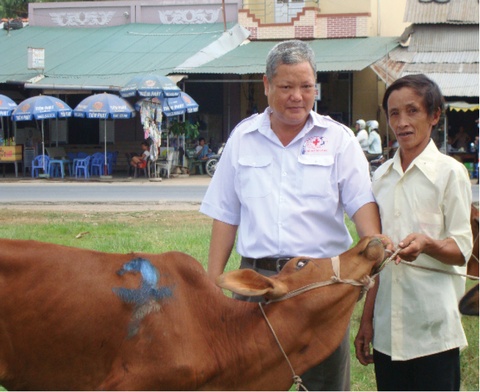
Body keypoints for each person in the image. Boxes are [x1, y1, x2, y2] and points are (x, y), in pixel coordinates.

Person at [200, 39, 381, 391]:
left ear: (316, 87)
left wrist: (372, 249)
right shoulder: (243, 138)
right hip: (255, 283)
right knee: (248, 380)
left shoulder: (338, 140)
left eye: (305, 86)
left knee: (323, 383)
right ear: (266, 86)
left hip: (320, 285)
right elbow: (225, 215)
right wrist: (211, 287)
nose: (296, 96)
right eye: (286, 87)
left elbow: (362, 207)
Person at [354, 74, 473, 391]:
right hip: (388, 332)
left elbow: (462, 249)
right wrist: (367, 321)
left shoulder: (450, 174)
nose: (402, 122)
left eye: (413, 111)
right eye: (394, 113)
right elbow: (376, 260)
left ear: (434, 115)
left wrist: (427, 244)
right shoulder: (381, 176)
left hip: (433, 330)